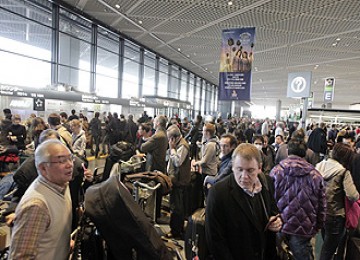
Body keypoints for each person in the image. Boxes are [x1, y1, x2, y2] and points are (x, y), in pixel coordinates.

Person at [206, 143, 281, 259]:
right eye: (239, 169)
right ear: (232, 167)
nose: (244, 176)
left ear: (259, 168)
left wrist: (276, 220)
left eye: (250, 170)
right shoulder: (218, 193)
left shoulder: (266, 183)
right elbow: (215, 240)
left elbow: (273, 210)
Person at [9, 139, 73, 259]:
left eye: (70, 158)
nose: (70, 164)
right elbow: (21, 257)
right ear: (43, 168)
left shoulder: (61, 185)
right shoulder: (36, 206)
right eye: (61, 160)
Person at [270, 136, 326, 260]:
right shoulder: (315, 175)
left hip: (279, 224)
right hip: (303, 226)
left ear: (288, 151)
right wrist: (318, 225)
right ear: (305, 153)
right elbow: (322, 204)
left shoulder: (276, 171)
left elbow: (269, 200)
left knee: (276, 254)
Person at [316, 143, 359, 260]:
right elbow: (352, 195)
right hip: (336, 214)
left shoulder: (319, 166)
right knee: (328, 249)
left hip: (320, 211)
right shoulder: (343, 172)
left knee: (326, 243)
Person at [165, 125, 191, 239]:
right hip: (176, 179)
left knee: (177, 208)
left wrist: (172, 149)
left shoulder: (182, 146)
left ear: (173, 139)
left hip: (180, 181)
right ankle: (177, 229)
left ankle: (176, 231)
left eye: (169, 139)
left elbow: (177, 162)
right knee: (175, 206)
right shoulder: (178, 144)